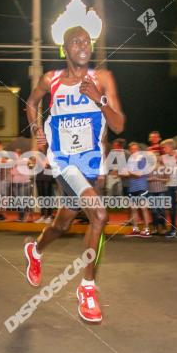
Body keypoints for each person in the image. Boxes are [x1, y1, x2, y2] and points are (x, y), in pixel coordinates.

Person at [23, 24, 125, 323]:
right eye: (76, 41)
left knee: (62, 224)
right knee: (100, 215)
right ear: (65, 49)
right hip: (63, 161)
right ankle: (87, 288)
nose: (83, 45)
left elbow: (118, 125)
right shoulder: (51, 79)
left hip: (90, 163)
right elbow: (31, 103)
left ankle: (35, 249)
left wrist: (99, 98)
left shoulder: (101, 78)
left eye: (87, 41)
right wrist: (36, 130)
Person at [126, 142, 152, 237]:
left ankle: (147, 230)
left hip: (141, 187)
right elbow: (129, 174)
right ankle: (135, 229)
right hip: (132, 188)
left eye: (136, 149)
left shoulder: (142, 160)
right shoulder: (130, 160)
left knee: (143, 208)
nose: (134, 151)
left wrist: (127, 172)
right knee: (133, 209)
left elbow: (139, 174)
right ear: (130, 150)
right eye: (132, 149)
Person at [161, 139, 177, 237]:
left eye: (165, 147)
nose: (163, 149)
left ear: (171, 147)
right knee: (169, 207)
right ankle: (172, 228)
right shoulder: (163, 157)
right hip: (168, 185)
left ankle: (176, 229)